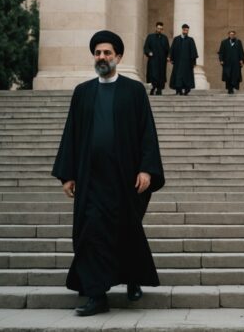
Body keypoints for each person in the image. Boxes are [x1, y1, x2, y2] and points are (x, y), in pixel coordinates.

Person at [52, 30, 165, 317]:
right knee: (91, 233)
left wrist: (146, 169)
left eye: (107, 53)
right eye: (98, 53)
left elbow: (146, 133)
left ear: (119, 57)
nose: (102, 57)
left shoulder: (134, 91)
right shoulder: (83, 93)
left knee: (125, 230)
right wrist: (67, 174)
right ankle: (96, 295)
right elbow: (72, 135)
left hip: (125, 178)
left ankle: (132, 278)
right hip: (90, 179)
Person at [169, 24, 198, 95]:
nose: (186, 31)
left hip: (187, 63)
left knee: (187, 77)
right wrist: (171, 58)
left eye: (187, 30)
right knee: (178, 76)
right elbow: (172, 49)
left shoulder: (190, 40)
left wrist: (194, 62)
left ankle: (187, 90)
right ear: (182, 30)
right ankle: (178, 90)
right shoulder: (176, 39)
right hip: (178, 62)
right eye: (185, 30)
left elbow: (193, 52)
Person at [143, 22, 170, 95]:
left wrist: (168, 57)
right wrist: (149, 52)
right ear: (156, 28)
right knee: (153, 75)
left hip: (162, 61)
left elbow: (168, 49)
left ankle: (159, 89)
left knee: (161, 75)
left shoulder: (165, 38)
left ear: (162, 29)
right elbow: (146, 47)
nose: (159, 30)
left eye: (161, 29)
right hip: (153, 60)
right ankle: (153, 88)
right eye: (158, 28)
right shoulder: (150, 37)